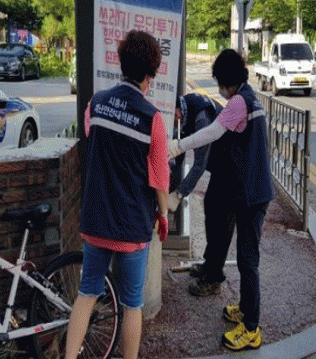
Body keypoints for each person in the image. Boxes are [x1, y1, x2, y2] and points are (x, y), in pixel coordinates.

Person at [65, 30, 169, 359]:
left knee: (87, 294)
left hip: (96, 221)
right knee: (131, 304)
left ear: (121, 63)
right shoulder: (152, 119)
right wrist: (164, 214)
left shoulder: (95, 104)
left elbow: (90, 137)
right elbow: (159, 178)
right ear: (150, 74)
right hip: (132, 226)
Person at [168, 48, 273, 352]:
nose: (219, 90)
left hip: (252, 194)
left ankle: (251, 329)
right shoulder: (250, 98)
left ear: (227, 80)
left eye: (219, 83)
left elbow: (212, 133)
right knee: (244, 257)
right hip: (251, 190)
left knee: (248, 261)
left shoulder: (239, 102)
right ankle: (245, 308)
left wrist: (178, 146)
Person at [168, 93, 221, 213]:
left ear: (177, 113)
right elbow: (179, 148)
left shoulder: (202, 120)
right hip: (218, 148)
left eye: (173, 117)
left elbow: (199, 165)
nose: (173, 122)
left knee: (216, 206)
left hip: (228, 155)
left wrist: (178, 195)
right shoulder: (184, 108)